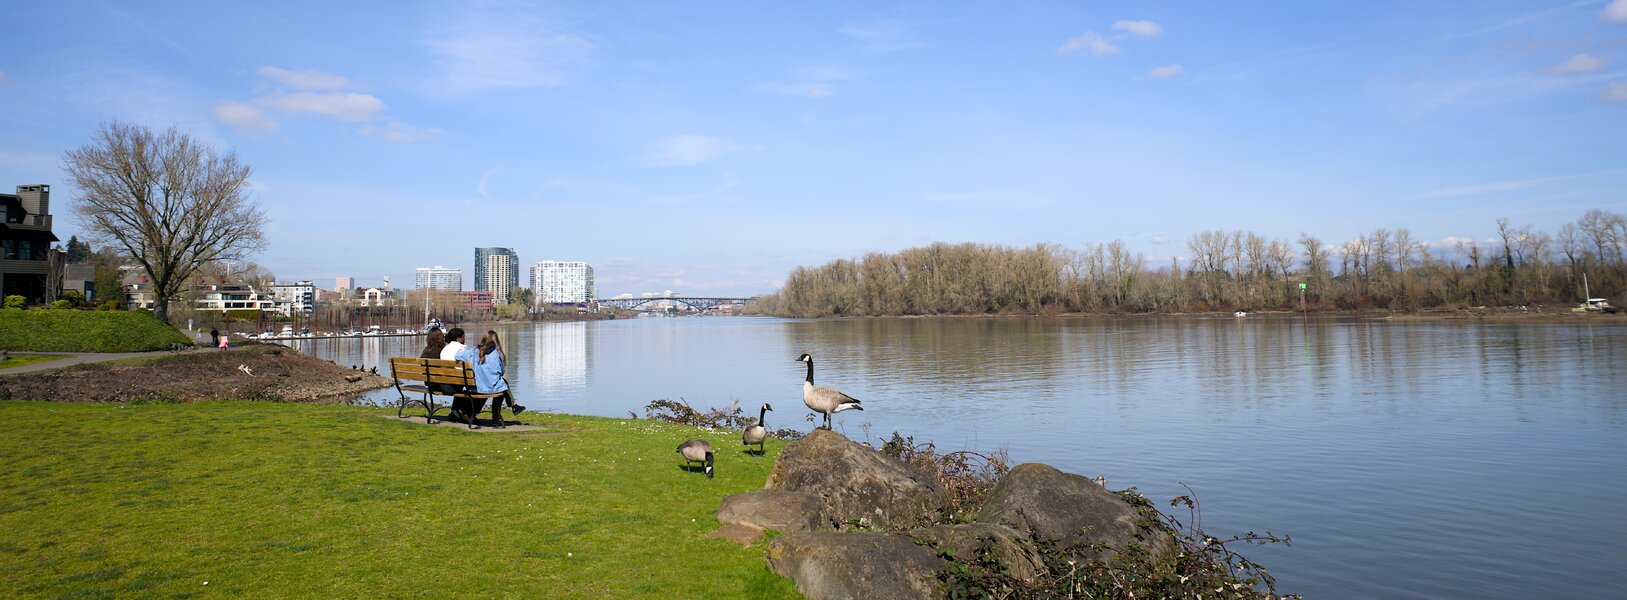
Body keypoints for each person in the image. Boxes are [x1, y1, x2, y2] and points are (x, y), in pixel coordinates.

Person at [475, 330, 526, 415]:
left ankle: (514, 406)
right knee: (502, 385)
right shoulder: (498, 354)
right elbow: (501, 372)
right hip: (491, 386)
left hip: (477, 385)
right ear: (496, 340)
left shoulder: (475, 352)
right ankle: (503, 412)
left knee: (502, 383)